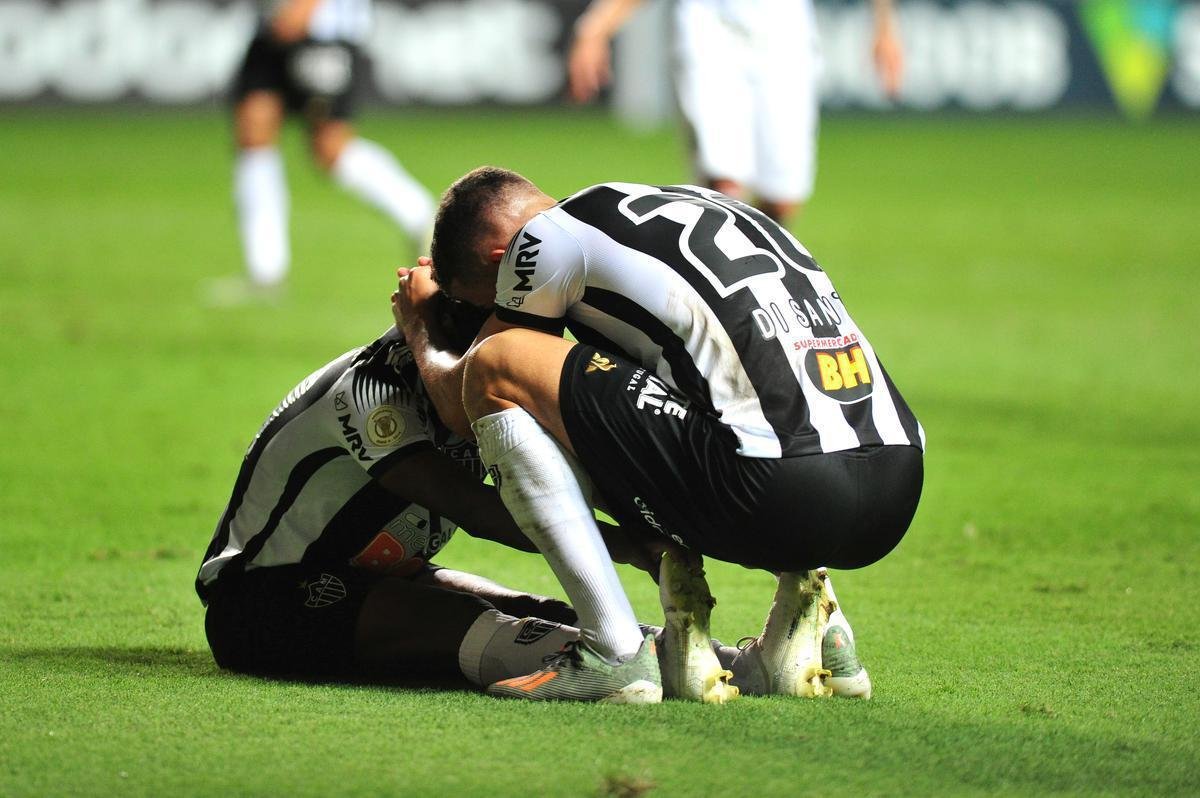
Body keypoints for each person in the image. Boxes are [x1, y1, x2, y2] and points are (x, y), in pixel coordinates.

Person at [391, 167, 925, 703]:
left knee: (501, 363)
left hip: (780, 489)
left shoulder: (540, 240)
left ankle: (613, 652)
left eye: (477, 302)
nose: (483, 314)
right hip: (896, 483)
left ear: (497, 259)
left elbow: (468, 402)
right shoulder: (684, 205)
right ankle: (820, 633)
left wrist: (421, 325)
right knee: (729, 394)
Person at [194, 304, 674, 689]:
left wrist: (661, 528)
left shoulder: (480, 380)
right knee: (462, 616)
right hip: (261, 600)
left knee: (534, 608)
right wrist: (630, 547)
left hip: (386, 574)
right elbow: (470, 506)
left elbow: (577, 474)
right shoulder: (368, 389)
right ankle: (624, 673)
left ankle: (713, 662)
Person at [567, 0, 903, 226]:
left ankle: (754, 273)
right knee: (724, 186)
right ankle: (723, 301)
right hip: (709, 25)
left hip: (785, 29)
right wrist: (596, 27)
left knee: (783, 199)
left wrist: (885, 27)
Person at [212, 0, 434, 303]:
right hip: (271, 25)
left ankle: (420, 214)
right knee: (254, 133)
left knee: (330, 148)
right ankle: (265, 272)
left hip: (325, 33)